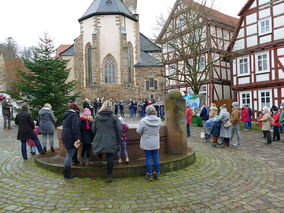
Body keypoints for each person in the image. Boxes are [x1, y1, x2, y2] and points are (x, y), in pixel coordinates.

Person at [92, 100, 122, 183]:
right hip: (111, 139)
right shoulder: (114, 116)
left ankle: (100, 161)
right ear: (110, 106)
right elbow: (119, 130)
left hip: (99, 138)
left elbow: (93, 129)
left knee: (100, 148)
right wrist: (119, 141)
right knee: (110, 157)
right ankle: (109, 175)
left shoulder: (97, 116)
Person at [136, 105, 162, 181]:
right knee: (156, 158)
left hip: (147, 142)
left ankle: (149, 174)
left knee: (148, 158)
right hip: (155, 142)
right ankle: (157, 174)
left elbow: (138, 131)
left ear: (147, 112)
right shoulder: (159, 120)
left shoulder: (143, 121)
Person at [62, 103, 81, 178]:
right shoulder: (74, 115)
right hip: (70, 136)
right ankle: (66, 173)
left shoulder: (66, 114)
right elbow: (75, 128)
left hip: (65, 134)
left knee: (70, 151)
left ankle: (75, 160)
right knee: (69, 154)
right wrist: (77, 138)